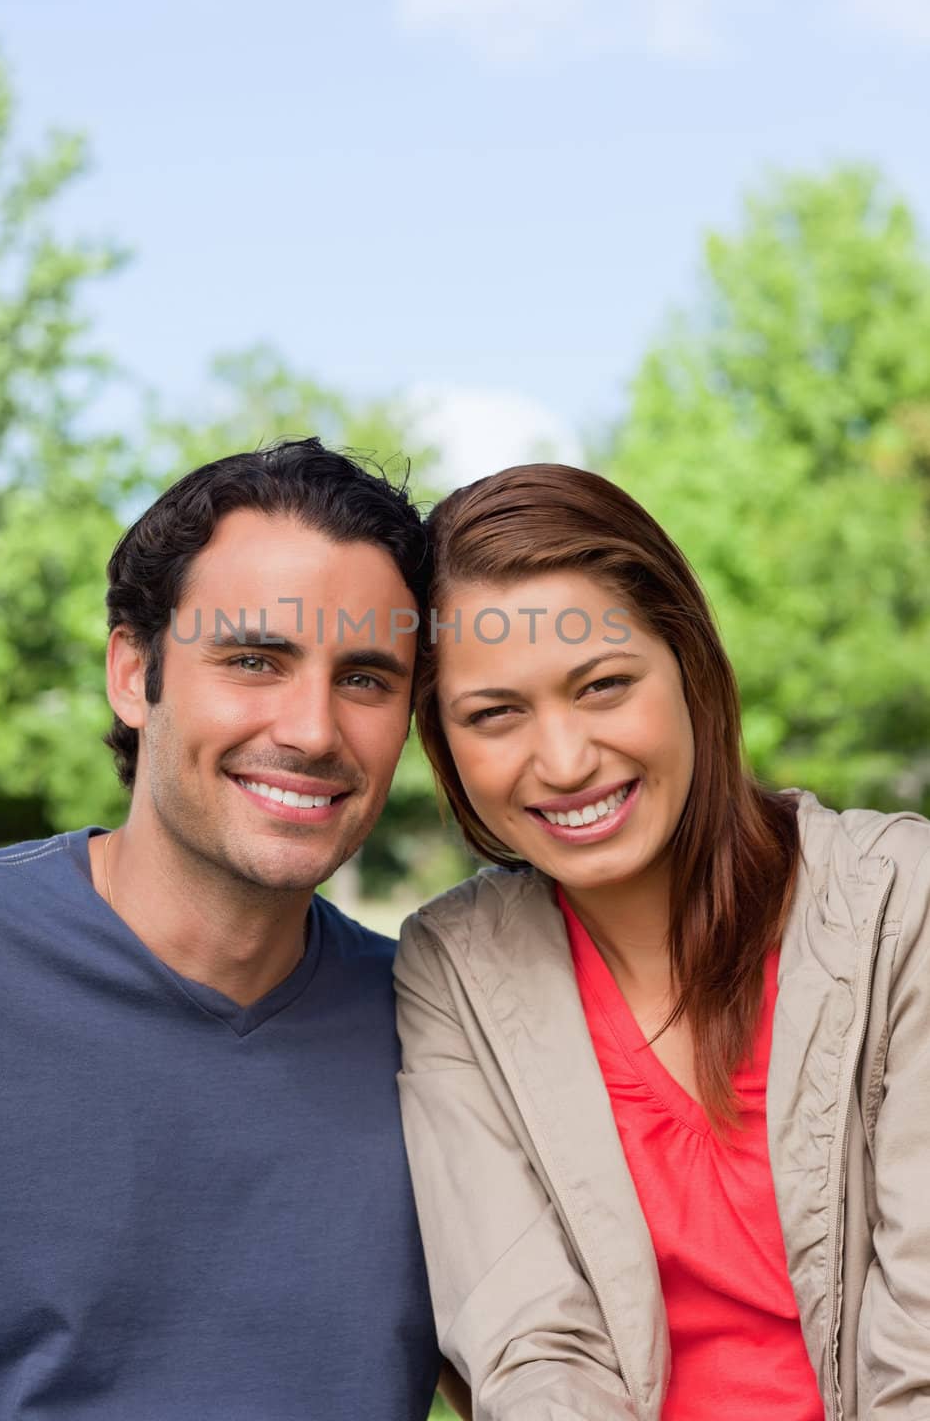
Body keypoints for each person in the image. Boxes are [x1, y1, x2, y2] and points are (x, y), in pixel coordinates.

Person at [0, 438, 447, 1420]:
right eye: (254, 659)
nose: (310, 729)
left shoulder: (440, 1039)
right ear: (134, 674)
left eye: (363, 678)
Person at [395, 461, 930, 1421]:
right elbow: (530, 1350)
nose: (563, 762)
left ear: (690, 667)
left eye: (602, 686)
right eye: (494, 714)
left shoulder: (902, 904)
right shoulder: (450, 970)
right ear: (441, 740)